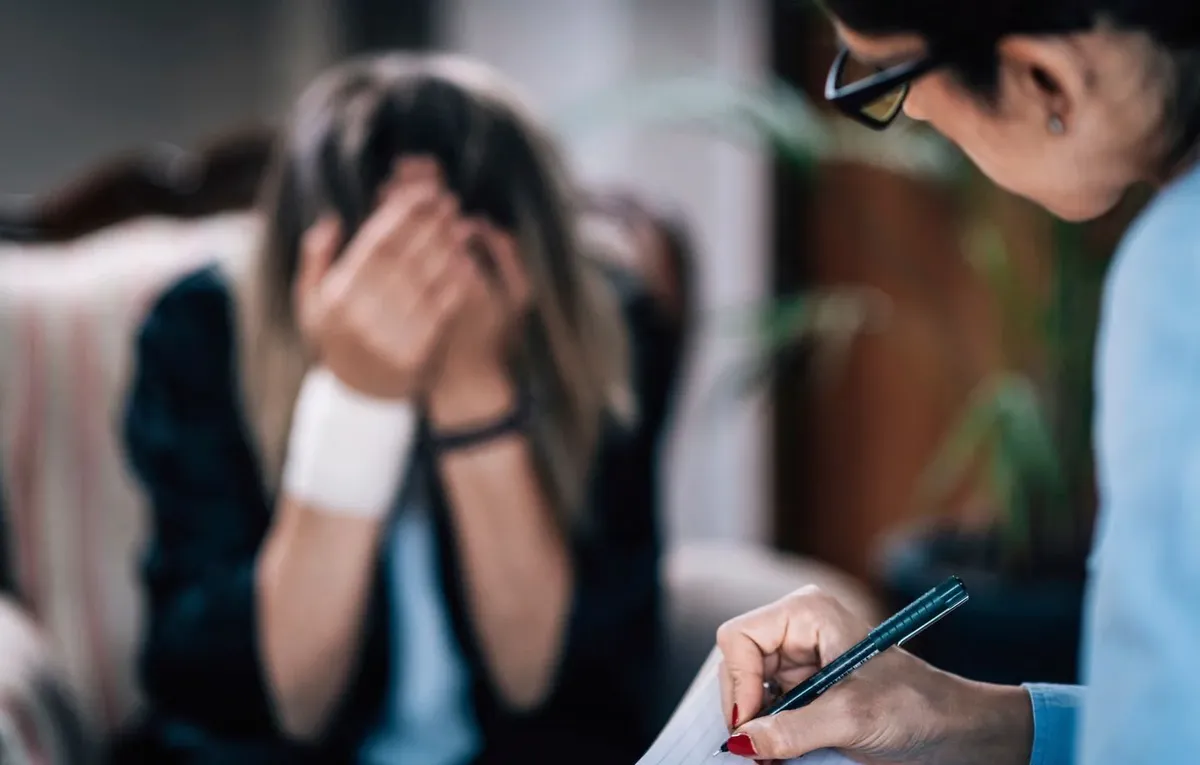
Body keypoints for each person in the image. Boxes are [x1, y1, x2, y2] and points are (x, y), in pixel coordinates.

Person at [117, 53, 678, 764]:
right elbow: (280, 700)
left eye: (457, 245)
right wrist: (358, 397)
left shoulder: (608, 333)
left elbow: (550, 683)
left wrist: (475, 391)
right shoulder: (202, 329)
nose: (420, 279)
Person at [714, 2, 1200, 764]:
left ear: (1046, 79)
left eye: (886, 73)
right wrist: (958, 715)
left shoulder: (1179, 276)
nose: (905, 113)